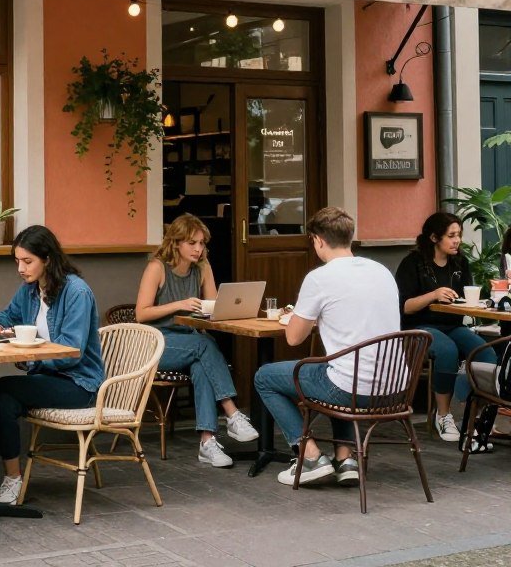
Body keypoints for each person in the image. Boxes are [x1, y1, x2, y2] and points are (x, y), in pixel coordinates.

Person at [253, 207, 399, 486]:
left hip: (351, 388)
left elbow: (294, 338)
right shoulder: (381, 271)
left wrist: (301, 317)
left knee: (265, 377)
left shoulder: (320, 278)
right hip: (394, 388)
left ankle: (309, 457)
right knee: (338, 367)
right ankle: (345, 459)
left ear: (317, 240)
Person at [0, 225, 105, 505]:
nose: (21, 269)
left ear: (48, 259)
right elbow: (7, 314)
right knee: (1, 397)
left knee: (1, 388)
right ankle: (10, 478)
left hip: (79, 384)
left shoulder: (77, 292)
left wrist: (26, 356)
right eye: (17, 261)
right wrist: (0, 326)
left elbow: (69, 352)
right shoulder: (29, 289)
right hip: (46, 378)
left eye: (27, 261)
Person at [135, 214, 258, 468]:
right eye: (192, 243)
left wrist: (224, 308)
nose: (198, 249)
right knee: (205, 345)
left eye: (202, 243)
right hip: (156, 343)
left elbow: (212, 309)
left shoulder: (202, 267)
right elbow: (141, 314)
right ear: (176, 242)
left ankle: (207, 441)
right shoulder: (157, 268)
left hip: (190, 342)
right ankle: (232, 412)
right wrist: (179, 305)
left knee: (202, 363)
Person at [395, 211, 497, 444]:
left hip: (452, 324)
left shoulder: (460, 262)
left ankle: (475, 416)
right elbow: (405, 307)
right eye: (451, 236)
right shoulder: (413, 263)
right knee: (447, 351)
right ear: (434, 238)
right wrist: (433, 294)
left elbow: (464, 299)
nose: (457, 240)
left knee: (486, 353)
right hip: (419, 326)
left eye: (459, 235)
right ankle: (443, 415)